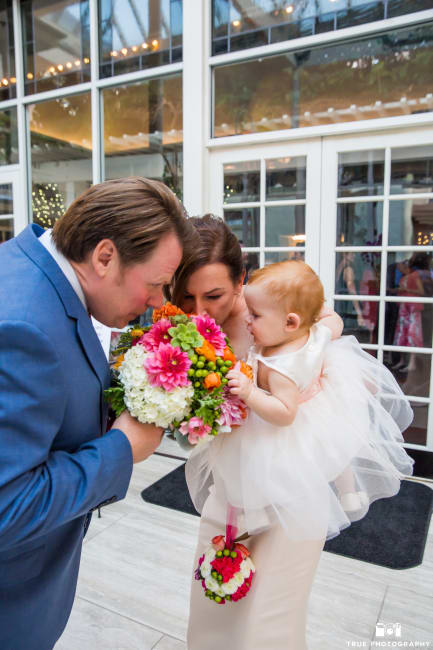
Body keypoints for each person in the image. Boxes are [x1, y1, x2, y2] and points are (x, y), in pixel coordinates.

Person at [0, 177, 192, 650]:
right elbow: (7, 507)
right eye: (155, 284)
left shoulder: (29, 268)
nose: (158, 301)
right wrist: (122, 448)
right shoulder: (25, 326)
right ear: (105, 256)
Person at [185, 259, 414, 650]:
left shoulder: (281, 366)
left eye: (256, 316)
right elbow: (329, 324)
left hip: (278, 441)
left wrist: (249, 391)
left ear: (290, 322)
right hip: (293, 431)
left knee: (267, 494)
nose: (249, 322)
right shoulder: (310, 335)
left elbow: (285, 413)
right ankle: (342, 490)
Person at [166, 215, 346, 649]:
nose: (199, 311)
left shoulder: (271, 309)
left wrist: (310, 352)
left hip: (289, 488)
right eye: (186, 296)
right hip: (232, 486)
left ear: (241, 280)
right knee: (212, 607)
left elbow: (330, 322)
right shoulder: (181, 330)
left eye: (213, 295)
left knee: (269, 621)